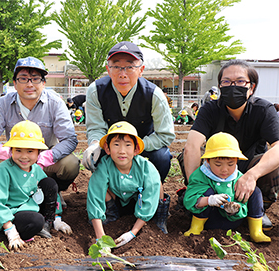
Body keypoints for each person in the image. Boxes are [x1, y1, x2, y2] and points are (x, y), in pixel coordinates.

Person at [183, 59, 279, 231]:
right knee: (185, 155)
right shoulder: (210, 109)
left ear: (252, 87)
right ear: (220, 87)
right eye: (226, 82)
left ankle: (257, 208)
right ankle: (201, 201)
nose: (233, 86)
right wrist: (195, 186)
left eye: (240, 81)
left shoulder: (263, 110)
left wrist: (251, 175)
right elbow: (192, 145)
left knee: (275, 166)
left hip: (248, 164)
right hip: (216, 165)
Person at [0, 57, 79, 205]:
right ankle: (6, 189)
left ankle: (53, 190)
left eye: (35, 79)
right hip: (13, 157)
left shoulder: (55, 103)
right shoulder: (3, 103)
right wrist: (4, 152)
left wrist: (49, 155)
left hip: (44, 162)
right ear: (14, 83)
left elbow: (69, 139)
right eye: (23, 79)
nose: (29, 84)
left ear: (43, 83)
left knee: (70, 164)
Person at [83, 41, 175, 185]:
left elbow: (165, 134)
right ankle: (109, 197)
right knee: (97, 155)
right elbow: (95, 127)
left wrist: (137, 146)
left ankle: (153, 192)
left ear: (141, 69)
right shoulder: (95, 91)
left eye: (130, 67)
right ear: (108, 69)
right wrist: (95, 144)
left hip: (144, 144)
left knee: (161, 157)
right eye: (116, 66)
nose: (122, 74)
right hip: (112, 146)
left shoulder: (154, 95)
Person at [0, 121, 72, 250]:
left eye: (30, 151)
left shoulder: (36, 169)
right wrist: (10, 229)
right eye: (18, 150)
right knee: (35, 221)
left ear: (38, 153)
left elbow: (51, 193)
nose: (24, 156)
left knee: (49, 184)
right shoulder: (2, 170)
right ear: (11, 151)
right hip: (12, 215)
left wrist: (57, 216)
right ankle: (15, 229)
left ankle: (50, 222)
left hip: (31, 207)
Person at [183, 132, 270, 243]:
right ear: (208, 161)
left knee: (254, 191)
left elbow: (243, 203)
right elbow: (189, 200)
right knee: (207, 191)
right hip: (209, 220)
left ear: (236, 161)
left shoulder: (239, 178)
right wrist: (209, 200)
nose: (224, 170)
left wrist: (235, 209)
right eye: (218, 164)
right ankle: (195, 228)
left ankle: (256, 231)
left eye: (230, 164)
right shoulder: (200, 176)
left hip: (234, 220)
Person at [87, 121, 162, 247]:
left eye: (128, 145)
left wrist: (133, 233)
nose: (122, 151)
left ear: (136, 149)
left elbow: (150, 196)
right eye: (116, 144)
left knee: (158, 184)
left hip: (138, 203)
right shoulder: (104, 166)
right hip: (116, 201)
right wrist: (100, 238)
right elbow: (95, 196)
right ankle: (110, 214)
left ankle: (159, 217)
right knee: (97, 183)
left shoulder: (146, 168)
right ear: (107, 148)